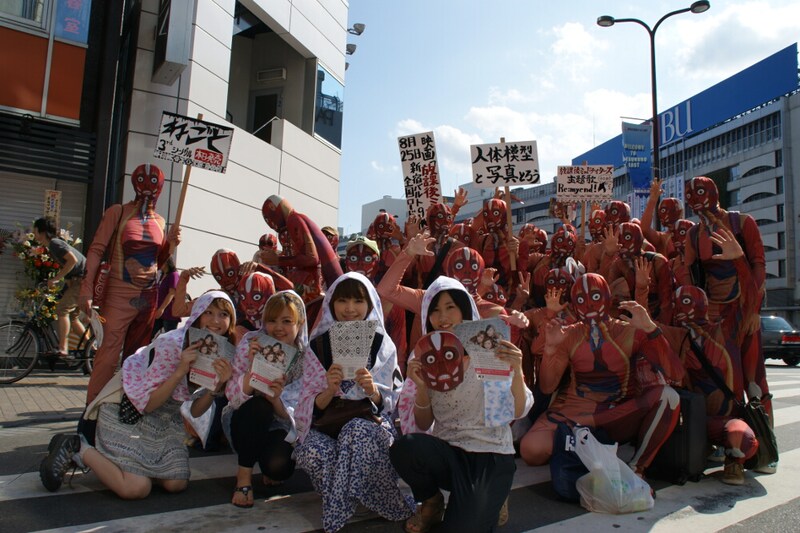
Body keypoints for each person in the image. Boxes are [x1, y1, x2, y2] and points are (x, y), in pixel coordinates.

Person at [40, 291, 235, 498]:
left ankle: (136, 466)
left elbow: (195, 412)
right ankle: (79, 447)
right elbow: (148, 405)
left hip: (165, 422)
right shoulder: (172, 343)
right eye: (208, 312)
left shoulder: (223, 352)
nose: (215, 321)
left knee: (176, 484)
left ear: (231, 320)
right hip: (129, 413)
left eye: (223, 314)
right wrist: (180, 371)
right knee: (136, 488)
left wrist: (217, 387)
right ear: (197, 314)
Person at [391, 276, 532, 532]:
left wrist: (517, 370)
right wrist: (422, 387)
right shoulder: (426, 355)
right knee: (406, 448)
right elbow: (423, 423)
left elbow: (518, 410)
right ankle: (432, 502)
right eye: (434, 310)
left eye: (450, 307)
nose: (442, 317)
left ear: (465, 309)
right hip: (450, 452)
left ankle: (491, 496)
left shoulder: (490, 347)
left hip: (490, 455)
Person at [520, 273, 685, 484]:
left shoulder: (629, 331)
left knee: (669, 397)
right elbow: (547, 386)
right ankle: (588, 450)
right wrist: (551, 349)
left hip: (615, 414)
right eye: (581, 299)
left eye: (595, 297)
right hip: (575, 413)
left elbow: (675, 373)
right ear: (573, 303)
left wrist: (651, 330)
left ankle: (637, 468)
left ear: (607, 297)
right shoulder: (568, 333)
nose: (589, 305)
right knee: (531, 449)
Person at [292, 272, 413, 533]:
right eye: (342, 300)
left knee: (355, 431)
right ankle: (359, 497)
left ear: (370, 304)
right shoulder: (318, 345)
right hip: (329, 424)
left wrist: (373, 390)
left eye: (358, 301)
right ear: (331, 303)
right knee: (311, 449)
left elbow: (392, 400)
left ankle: (341, 506)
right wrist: (329, 389)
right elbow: (307, 404)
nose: (349, 309)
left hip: (368, 424)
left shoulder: (382, 344)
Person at [79, 163, 179, 406]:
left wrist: (171, 245)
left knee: (137, 358)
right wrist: (86, 289)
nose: (147, 186)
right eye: (142, 180)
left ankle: (126, 408)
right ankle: (92, 412)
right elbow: (96, 249)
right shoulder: (118, 212)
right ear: (134, 182)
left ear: (161, 187)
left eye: (153, 181)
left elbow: (158, 263)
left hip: (148, 298)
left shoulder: (160, 221)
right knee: (108, 355)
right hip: (117, 295)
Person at [226, 291, 307, 507]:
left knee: (278, 469)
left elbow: (298, 415)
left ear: (300, 323)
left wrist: (276, 400)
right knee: (259, 406)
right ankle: (243, 479)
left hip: (279, 424)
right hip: (245, 419)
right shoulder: (251, 344)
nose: (278, 327)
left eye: (287, 321)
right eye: (272, 320)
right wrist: (252, 370)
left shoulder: (305, 358)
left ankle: (262, 458)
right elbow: (233, 399)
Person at [32, 217, 86, 359]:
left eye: (35, 231)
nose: (34, 234)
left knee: (62, 309)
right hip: (78, 280)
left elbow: (72, 260)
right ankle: (93, 350)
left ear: (42, 231)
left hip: (82, 280)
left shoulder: (55, 244)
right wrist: (66, 283)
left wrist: (56, 279)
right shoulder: (54, 245)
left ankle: (63, 348)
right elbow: (69, 265)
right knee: (73, 318)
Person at [152, 257, 180, 336]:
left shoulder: (174, 275)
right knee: (150, 334)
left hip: (169, 313)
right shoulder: (162, 275)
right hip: (159, 312)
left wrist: (161, 309)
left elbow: (172, 293)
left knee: (170, 337)